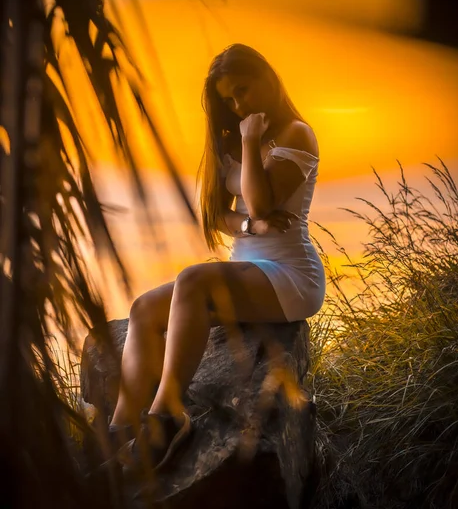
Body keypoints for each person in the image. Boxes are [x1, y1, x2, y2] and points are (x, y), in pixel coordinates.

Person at [106, 43, 327, 475]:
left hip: (290, 275)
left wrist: (249, 141)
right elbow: (217, 215)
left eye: (243, 90)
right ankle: (117, 432)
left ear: (268, 77)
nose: (238, 104)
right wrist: (249, 228)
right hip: (247, 267)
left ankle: (167, 419)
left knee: (193, 279)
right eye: (228, 98)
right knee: (144, 309)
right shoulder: (231, 137)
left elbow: (261, 204)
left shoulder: (296, 132)